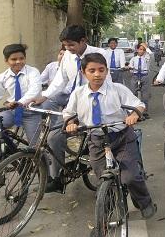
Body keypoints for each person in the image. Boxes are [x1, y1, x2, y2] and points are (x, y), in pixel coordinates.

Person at [63, 53, 156, 237]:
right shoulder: (79, 93)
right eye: (92, 70)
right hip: (96, 140)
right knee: (103, 182)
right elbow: (69, 113)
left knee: (130, 176)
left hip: (121, 137)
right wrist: (70, 123)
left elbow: (138, 104)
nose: (97, 74)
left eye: (101, 70)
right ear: (83, 72)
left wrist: (134, 115)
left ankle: (144, 202)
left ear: (106, 71)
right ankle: (102, 221)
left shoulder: (117, 89)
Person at [31, 25, 109, 193]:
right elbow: (60, 79)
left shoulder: (99, 55)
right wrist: (44, 95)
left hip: (90, 101)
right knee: (46, 115)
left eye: (71, 45)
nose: (68, 49)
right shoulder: (67, 56)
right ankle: (56, 175)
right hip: (70, 99)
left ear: (83, 41)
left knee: (58, 136)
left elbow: (104, 83)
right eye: (65, 45)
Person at [128, 43, 152, 117]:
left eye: (143, 50)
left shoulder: (147, 58)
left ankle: (145, 112)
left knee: (145, 95)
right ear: (137, 50)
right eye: (140, 49)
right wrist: (130, 68)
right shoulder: (133, 59)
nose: (142, 51)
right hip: (135, 76)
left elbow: (150, 53)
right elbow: (130, 67)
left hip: (144, 76)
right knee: (133, 93)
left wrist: (146, 47)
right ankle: (133, 111)